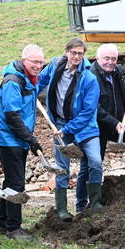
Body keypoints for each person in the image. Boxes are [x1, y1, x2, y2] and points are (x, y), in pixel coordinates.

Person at [37, 38, 102, 219]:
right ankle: (62, 209)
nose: (76, 56)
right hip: (59, 124)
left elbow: (88, 111)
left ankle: (95, 201)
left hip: (85, 128)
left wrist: (68, 128)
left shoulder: (89, 79)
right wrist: (30, 91)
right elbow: (40, 81)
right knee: (62, 167)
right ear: (66, 52)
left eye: (80, 53)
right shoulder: (55, 65)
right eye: (73, 52)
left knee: (95, 162)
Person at [0, 44, 45, 240]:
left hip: (18, 137)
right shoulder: (13, 81)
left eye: (41, 62)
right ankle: (13, 228)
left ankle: (3, 221)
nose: (38, 66)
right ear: (24, 61)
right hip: (8, 137)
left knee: (10, 180)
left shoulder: (29, 79)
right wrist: (30, 138)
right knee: (16, 182)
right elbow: (12, 116)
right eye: (34, 62)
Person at [89, 43, 125, 193]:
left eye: (114, 59)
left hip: (119, 124)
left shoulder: (118, 72)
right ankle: (92, 199)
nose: (110, 62)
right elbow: (94, 108)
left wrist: (124, 106)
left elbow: (120, 94)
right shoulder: (91, 77)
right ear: (97, 58)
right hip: (97, 127)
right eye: (106, 58)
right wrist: (114, 122)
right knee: (95, 162)